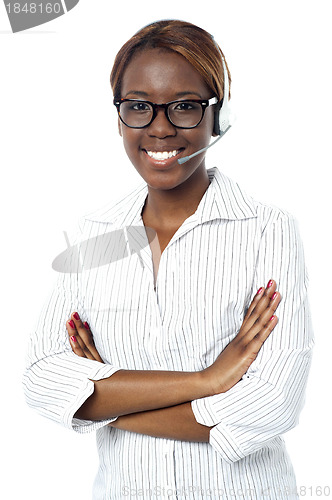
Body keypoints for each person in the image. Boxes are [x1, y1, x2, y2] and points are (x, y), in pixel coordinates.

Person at [23, 20, 314, 500]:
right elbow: (42, 380)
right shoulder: (94, 235)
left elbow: (272, 404)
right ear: (119, 118)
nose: (159, 128)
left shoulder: (267, 229)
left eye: (184, 106)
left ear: (215, 117)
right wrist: (209, 380)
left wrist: (106, 401)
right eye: (138, 106)